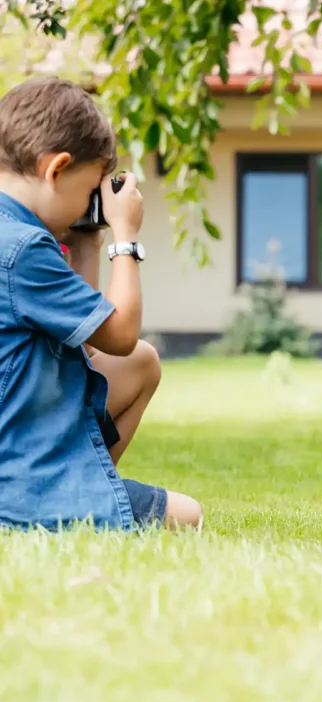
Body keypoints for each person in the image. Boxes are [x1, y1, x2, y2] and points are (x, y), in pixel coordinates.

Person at [0, 76, 202, 531]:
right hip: (18, 480)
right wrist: (125, 238)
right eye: (87, 188)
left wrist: (88, 242)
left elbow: (88, 344)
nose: (85, 205)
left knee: (143, 365)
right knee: (190, 516)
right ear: (56, 169)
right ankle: (69, 508)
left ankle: (85, 486)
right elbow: (121, 335)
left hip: (20, 435)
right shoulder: (24, 248)